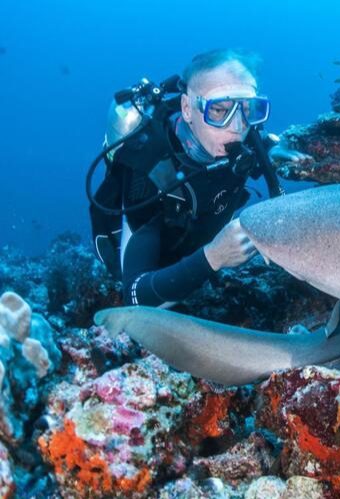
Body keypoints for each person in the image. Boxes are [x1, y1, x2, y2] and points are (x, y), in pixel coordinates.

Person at [90, 48, 311, 307]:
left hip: (197, 249)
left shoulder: (241, 135)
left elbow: (258, 139)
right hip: (158, 275)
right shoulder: (150, 172)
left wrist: (273, 150)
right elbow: (136, 298)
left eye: (249, 109)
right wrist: (213, 257)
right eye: (219, 110)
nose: (237, 126)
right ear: (187, 108)